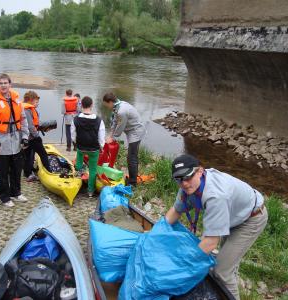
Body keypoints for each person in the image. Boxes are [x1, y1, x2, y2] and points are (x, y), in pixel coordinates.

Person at [165, 154, 268, 300]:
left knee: (221, 272)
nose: (185, 184)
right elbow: (176, 210)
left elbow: (211, 242)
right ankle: (231, 272)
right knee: (226, 260)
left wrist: (183, 267)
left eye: (187, 177)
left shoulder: (216, 196)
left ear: (200, 171)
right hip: (232, 214)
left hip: (250, 219)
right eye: (179, 179)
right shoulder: (187, 186)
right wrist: (156, 231)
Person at [0, 73, 30, 207]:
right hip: (0, 144)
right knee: (2, 172)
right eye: (0, 83)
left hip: (16, 141)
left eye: (5, 83)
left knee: (16, 169)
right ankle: (5, 197)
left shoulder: (17, 100)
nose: (3, 85)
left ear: (10, 84)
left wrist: (25, 137)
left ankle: (16, 192)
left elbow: (23, 120)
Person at [102, 92, 145, 186]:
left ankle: (133, 183)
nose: (107, 107)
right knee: (131, 156)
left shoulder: (122, 111)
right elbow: (114, 121)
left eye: (106, 105)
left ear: (110, 102)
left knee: (131, 157)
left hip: (136, 131)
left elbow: (120, 127)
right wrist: (110, 134)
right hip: (130, 130)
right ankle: (132, 179)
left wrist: (112, 137)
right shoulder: (117, 106)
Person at [71, 96, 105, 197]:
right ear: (91, 105)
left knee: (78, 164)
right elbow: (101, 136)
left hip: (81, 147)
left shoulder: (76, 119)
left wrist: (75, 143)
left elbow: (73, 134)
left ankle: (77, 183)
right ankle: (90, 191)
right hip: (94, 149)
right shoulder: (99, 120)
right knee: (93, 169)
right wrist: (101, 147)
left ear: (81, 105)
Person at [22, 90, 50, 182]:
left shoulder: (28, 109)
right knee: (43, 154)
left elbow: (35, 123)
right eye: (36, 101)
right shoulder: (27, 110)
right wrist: (37, 136)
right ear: (30, 100)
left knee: (28, 155)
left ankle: (28, 172)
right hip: (32, 138)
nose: (37, 103)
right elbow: (30, 126)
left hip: (28, 137)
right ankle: (49, 170)